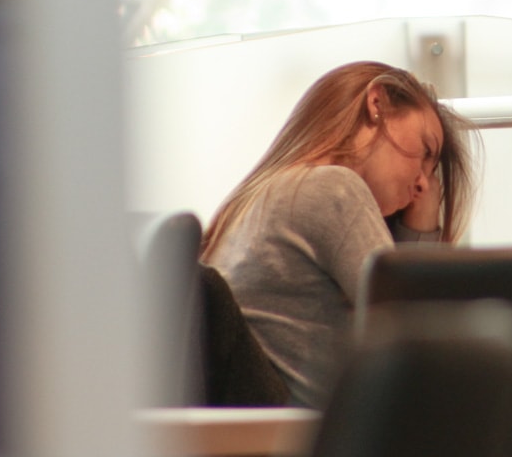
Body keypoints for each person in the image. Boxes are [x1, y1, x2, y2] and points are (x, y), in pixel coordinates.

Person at [199, 60, 477, 408]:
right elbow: (424, 341)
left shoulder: (257, 199)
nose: (424, 182)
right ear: (377, 105)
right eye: (425, 151)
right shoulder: (331, 188)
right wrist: (423, 229)